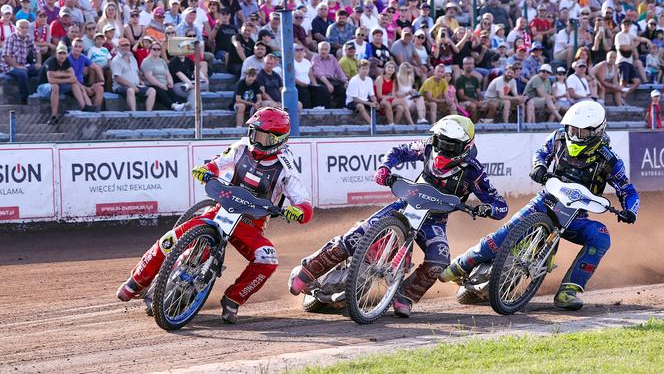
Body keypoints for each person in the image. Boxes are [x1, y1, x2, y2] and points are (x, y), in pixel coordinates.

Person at [289, 115, 508, 317]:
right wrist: (385, 167)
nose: (441, 148)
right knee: (356, 236)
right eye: (440, 141)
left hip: (435, 220)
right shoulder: (428, 146)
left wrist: (486, 209)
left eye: (449, 145)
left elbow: (500, 205)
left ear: (464, 146)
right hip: (407, 203)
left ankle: (405, 296)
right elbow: (399, 151)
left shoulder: (474, 171)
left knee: (438, 260)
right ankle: (308, 272)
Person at [117, 107, 313, 323]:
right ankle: (136, 282)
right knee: (170, 239)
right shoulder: (241, 147)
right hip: (222, 210)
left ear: (279, 140)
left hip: (250, 224)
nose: (256, 141)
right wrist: (206, 169)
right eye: (254, 133)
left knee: (268, 259)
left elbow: (304, 203)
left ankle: (233, 299)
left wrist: (299, 211)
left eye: (264, 137)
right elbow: (218, 164)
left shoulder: (286, 167)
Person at [443, 101, 640, 310]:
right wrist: (539, 166)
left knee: (601, 236)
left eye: (581, 132)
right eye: (573, 129)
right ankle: (460, 265)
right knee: (505, 233)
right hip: (544, 202)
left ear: (596, 132)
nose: (575, 135)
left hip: (576, 217)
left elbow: (627, 190)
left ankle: (569, 290)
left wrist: (630, 210)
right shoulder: (558, 137)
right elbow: (540, 153)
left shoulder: (609, 160)